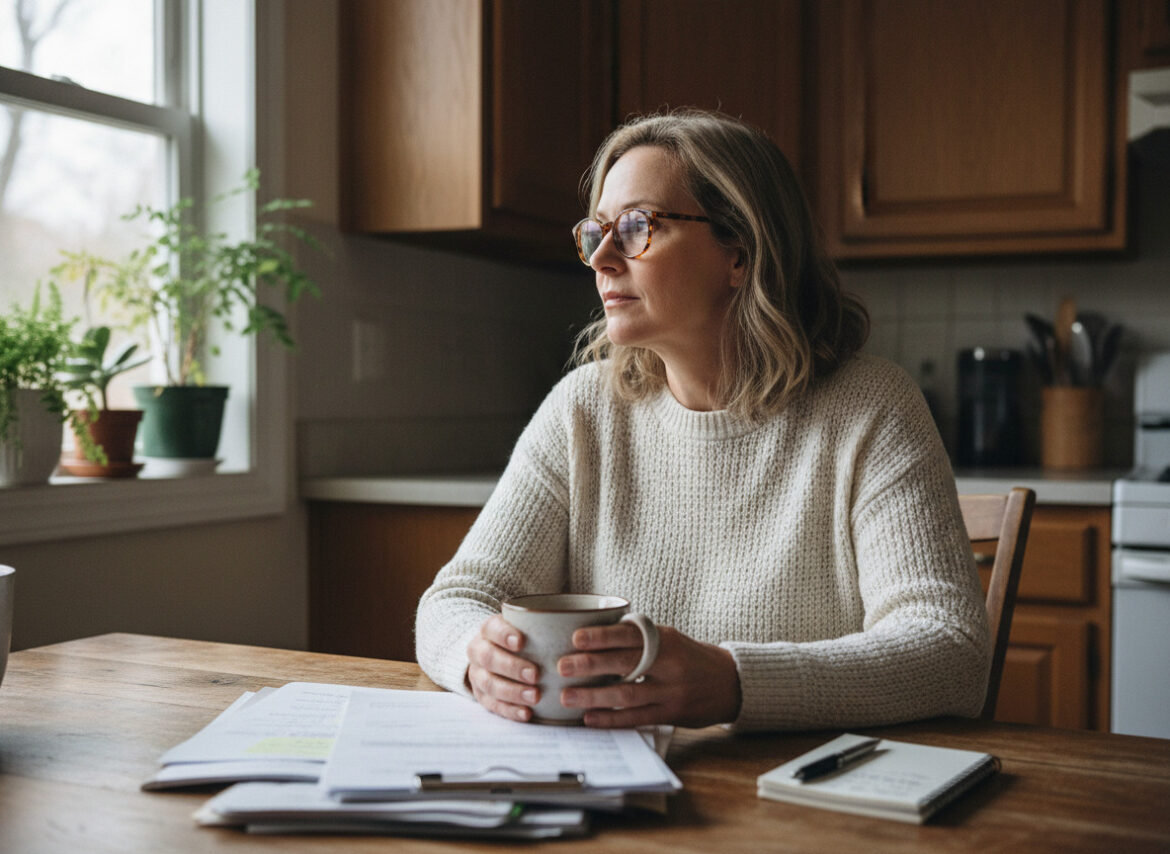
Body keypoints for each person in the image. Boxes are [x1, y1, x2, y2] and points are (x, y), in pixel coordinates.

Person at [415, 109, 989, 731]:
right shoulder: (582, 410)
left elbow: (950, 648)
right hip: (614, 796)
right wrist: (478, 659)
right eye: (596, 231)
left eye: (636, 227)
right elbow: (455, 599)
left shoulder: (871, 408)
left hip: (804, 802)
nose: (602, 258)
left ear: (739, 252)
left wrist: (734, 683)